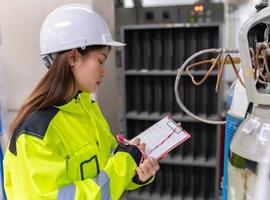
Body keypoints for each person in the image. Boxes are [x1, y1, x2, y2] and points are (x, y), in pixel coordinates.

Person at [3, 4, 160, 200]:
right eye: (101, 60)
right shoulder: (36, 133)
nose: (104, 72)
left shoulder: (86, 108)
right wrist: (126, 162)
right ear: (73, 56)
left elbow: (107, 171)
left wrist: (136, 173)